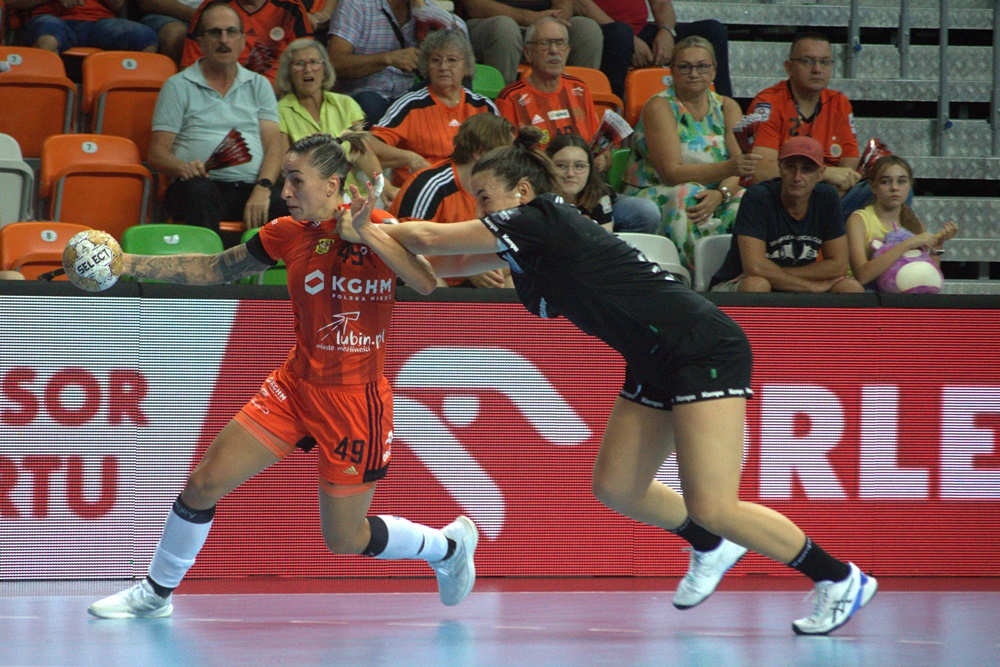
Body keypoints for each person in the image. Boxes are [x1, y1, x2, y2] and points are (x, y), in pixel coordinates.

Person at [342, 125, 878, 636]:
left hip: (700, 346)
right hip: (653, 358)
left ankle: (838, 578)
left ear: (521, 192)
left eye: (484, 197)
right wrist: (364, 231)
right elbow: (439, 264)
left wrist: (362, 220)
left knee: (715, 505)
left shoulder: (538, 218)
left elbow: (427, 236)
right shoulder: (526, 245)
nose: (479, 208)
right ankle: (710, 545)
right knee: (617, 486)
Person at [87, 132, 478, 619]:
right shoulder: (286, 232)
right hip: (294, 387)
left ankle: (447, 548)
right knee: (203, 483)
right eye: (284, 181)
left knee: (344, 538)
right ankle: (153, 594)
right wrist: (124, 263)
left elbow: (425, 282)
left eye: (296, 181)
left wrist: (367, 234)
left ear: (332, 184)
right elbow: (214, 268)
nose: (285, 191)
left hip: (355, 402)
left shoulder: (377, 225)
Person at [150, 1, 282, 245]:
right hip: (196, 188)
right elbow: (157, 153)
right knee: (199, 191)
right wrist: (181, 167)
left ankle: (265, 271)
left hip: (250, 189)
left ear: (242, 40)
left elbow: (274, 146)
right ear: (200, 43)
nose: (224, 40)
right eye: (215, 33)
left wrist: (263, 188)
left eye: (231, 32)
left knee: (288, 202)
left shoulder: (260, 85)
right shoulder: (177, 85)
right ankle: (209, 267)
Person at [623, 36, 758, 269]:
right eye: (685, 67)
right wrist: (728, 168)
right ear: (672, 71)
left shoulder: (727, 106)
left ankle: (730, 275)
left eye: (702, 66)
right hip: (657, 190)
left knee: (746, 200)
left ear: (714, 71)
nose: (694, 74)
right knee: (687, 194)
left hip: (714, 192)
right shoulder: (660, 106)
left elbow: (741, 168)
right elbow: (671, 174)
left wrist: (721, 194)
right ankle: (688, 278)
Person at [710, 136, 865, 293]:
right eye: (790, 168)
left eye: (807, 169)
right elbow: (754, 267)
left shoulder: (827, 198)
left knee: (851, 288)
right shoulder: (758, 197)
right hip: (740, 283)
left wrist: (779, 274)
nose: (797, 177)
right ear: (780, 167)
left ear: (821, 173)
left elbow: (838, 266)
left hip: (788, 280)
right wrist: (811, 287)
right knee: (757, 285)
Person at [393, 112, 515, 288]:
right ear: (480, 152)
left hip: (468, 274)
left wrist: (483, 264)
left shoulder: (500, 189)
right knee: (430, 285)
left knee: (514, 275)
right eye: (504, 155)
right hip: (424, 273)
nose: (510, 163)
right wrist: (469, 267)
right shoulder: (430, 185)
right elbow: (406, 249)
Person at [370, 29, 498, 190]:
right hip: (419, 190)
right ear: (427, 66)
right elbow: (370, 144)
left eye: (452, 60)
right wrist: (410, 158)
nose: (443, 67)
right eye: (436, 60)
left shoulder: (483, 107)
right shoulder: (410, 105)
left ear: (466, 67)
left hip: (471, 193)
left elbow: (505, 155)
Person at [273, 38, 389, 216]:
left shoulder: (345, 103)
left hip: (353, 194)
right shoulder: (280, 111)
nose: (307, 69)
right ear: (288, 72)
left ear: (324, 68)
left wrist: (382, 184)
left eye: (314, 62)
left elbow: (362, 152)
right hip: (310, 199)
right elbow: (285, 168)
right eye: (299, 64)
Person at [747, 32, 860, 198]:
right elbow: (762, 171)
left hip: (830, 194)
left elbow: (849, 165)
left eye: (824, 62)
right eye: (807, 61)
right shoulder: (768, 102)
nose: (817, 69)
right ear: (789, 67)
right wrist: (825, 173)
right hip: (783, 193)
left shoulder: (839, 103)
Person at [573, 0, 732, 98]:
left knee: (713, 30)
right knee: (620, 34)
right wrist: (630, 39)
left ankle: (724, 111)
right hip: (604, 30)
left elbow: (662, 4)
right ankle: (613, 118)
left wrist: (667, 31)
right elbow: (580, 3)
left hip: (640, 31)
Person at [846, 155, 957, 288]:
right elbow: (862, 276)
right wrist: (908, 244)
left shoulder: (915, 223)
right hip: (866, 293)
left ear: (910, 186)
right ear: (873, 187)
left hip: (899, 293)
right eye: (885, 182)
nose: (894, 188)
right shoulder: (859, 220)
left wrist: (938, 245)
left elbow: (927, 277)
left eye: (901, 181)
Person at [456, 0, 602, 85]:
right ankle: (502, 106)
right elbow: (475, 6)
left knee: (587, 29)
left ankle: (579, 103)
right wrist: (528, 17)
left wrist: (557, 16)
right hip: (491, 22)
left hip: (545, 20)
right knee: (505, 28)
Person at [545, 132, 658, 235]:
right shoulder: (538, 195)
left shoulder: (598, 192)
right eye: (561, 166)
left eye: (579, 166)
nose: (570, 173)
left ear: (590, 169)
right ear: (547, 167)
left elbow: (606, 241)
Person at [326, 0, 420, 124]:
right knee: (370, 102)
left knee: (432, 99)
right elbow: (334, 63)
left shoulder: (422, 9)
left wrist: (424, 12)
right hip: (363, 94)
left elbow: (446, 46)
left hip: (405, 94)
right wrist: (387, 59)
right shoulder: (356, 4)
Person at [181, 0, 313, 86]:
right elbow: (189, 66)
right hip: (220, 92)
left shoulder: (291, 8)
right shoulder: (213, 8)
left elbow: (308, 63)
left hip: (275, 93)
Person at [12, 0, 158, 54]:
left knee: (145, 38)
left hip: (100, 22)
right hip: (51, 20)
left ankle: (125, 104)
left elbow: (117, 4)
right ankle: (46, 101)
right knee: (48, 40)